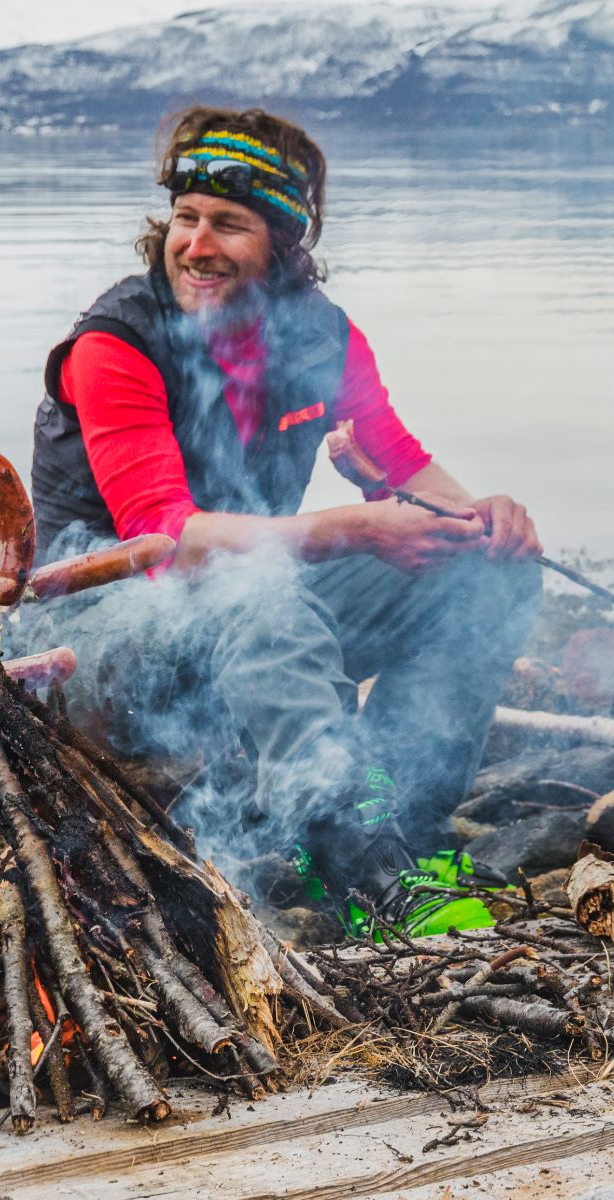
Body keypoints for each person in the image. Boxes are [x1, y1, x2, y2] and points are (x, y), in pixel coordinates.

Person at [27, 107, 542, 937]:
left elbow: (405, 464)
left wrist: (484, 519)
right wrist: (356, 527)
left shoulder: (320, 337)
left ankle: (408, 831)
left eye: (228, 224)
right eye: (185, 219)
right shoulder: (116, 343)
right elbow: (164, 541)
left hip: (253, 609)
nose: (196, 243)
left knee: (486, 571)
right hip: (100, 639)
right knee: (259, 595)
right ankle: (363, 872)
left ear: (283, 244)